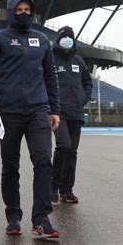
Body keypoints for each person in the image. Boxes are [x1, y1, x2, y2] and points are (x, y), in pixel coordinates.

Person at [0, 0, 61, 239]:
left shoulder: (42, 39)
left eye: (28, 9)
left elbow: (51, 76)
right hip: (9, 111)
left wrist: (55, 109)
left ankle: (41, 219)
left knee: (44, 161)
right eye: (19, 9)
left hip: (38, 110)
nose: (24, 13)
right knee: (10, 166)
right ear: (11, 11)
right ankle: (13, 216)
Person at [51, 26, 93, 204]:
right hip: (59, 112)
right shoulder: (51, 59)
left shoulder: (79, 61)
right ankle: (53, 186)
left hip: (76, 112)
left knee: (72, 152)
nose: (68, 40)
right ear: (58, 40)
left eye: (70, 37)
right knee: (64, 145)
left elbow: (87, 82)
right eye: (64, 37)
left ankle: (66, 189)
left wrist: (84, 98)